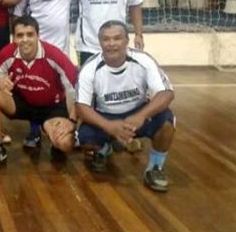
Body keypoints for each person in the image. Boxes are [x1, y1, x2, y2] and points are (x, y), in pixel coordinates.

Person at [75, 20, 175, 192]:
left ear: (127, 41)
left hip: (138, 112)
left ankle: (155, 167)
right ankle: (105, 147)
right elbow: (81, 107)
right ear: (100, 43)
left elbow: (167, 93)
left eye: (117, 38)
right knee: (84, 138)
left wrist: (141, 116)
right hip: (106, 116)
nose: (111, 43)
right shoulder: (90, 68)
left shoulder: (143, 60)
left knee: (167, 122)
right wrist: (108, 126)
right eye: (106, 39)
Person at [0, 16, 78, 171]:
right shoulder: (8, 53)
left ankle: (56, 142)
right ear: (13, 38)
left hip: (51, 108)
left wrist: (72, 121)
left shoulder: (53, 55)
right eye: (20, 35)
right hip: (22, 103)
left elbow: (80, 88)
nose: (25, 40)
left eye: (30, 34)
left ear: (38, 36)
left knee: (64, 144)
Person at [13, 0, 74, 149]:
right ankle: (34, 130)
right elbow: (18, 14)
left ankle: (60, 131)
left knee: (59, 92)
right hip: (35, 49)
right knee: (34, 90)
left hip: (61, 48)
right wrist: (20, 44)